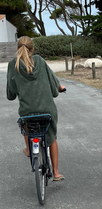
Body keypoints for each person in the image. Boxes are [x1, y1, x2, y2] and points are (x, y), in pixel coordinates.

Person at [6, 36, 65, 181]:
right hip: (47, 110)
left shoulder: (13, 65)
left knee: (26, 126)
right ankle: (56, 173)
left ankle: (29, 150)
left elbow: (10, 94)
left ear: (17, 49)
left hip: (27, 112)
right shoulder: (39, 60)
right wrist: (59, 88)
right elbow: (53, 83)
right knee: (52, 139)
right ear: (32, 49)